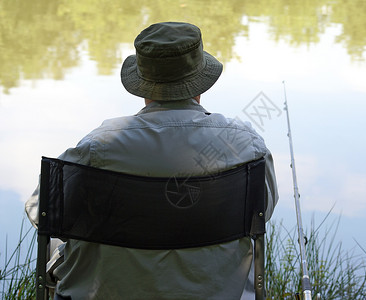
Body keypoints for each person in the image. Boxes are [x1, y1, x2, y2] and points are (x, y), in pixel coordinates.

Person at [26, 22, 278, 300]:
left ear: (142, 83)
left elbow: (42, 212)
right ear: (200, 82)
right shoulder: (246, 144)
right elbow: (262, 211)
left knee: (59, 243)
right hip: (219, 294)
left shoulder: (99, 146)